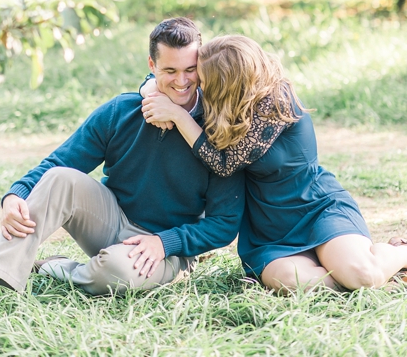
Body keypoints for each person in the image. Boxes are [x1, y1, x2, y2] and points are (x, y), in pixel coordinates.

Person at [0, 18, 244, 301]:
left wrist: (164, 243)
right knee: (61, 178)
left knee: (115, 270)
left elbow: (224, 224)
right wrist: (15, 194)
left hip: (167, 250)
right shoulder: (120, 111)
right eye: (170, 70)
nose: (181, 82)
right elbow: (60, 162)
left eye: (190, 70)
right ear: (151, 66)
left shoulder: (218, 128)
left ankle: (56, 267)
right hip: (111, 220)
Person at [140, 34, 407, 292]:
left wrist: (178, 115)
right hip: (269, 230)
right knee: (294, 281)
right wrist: (151, 88)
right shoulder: (224, 104)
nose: (198, 85)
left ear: (227, 84)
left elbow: (225, 164)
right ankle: (344, 273)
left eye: (204, 81)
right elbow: (168, 77)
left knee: (363, 276)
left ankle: (398, 253)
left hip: (316, 210)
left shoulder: (278, 101)